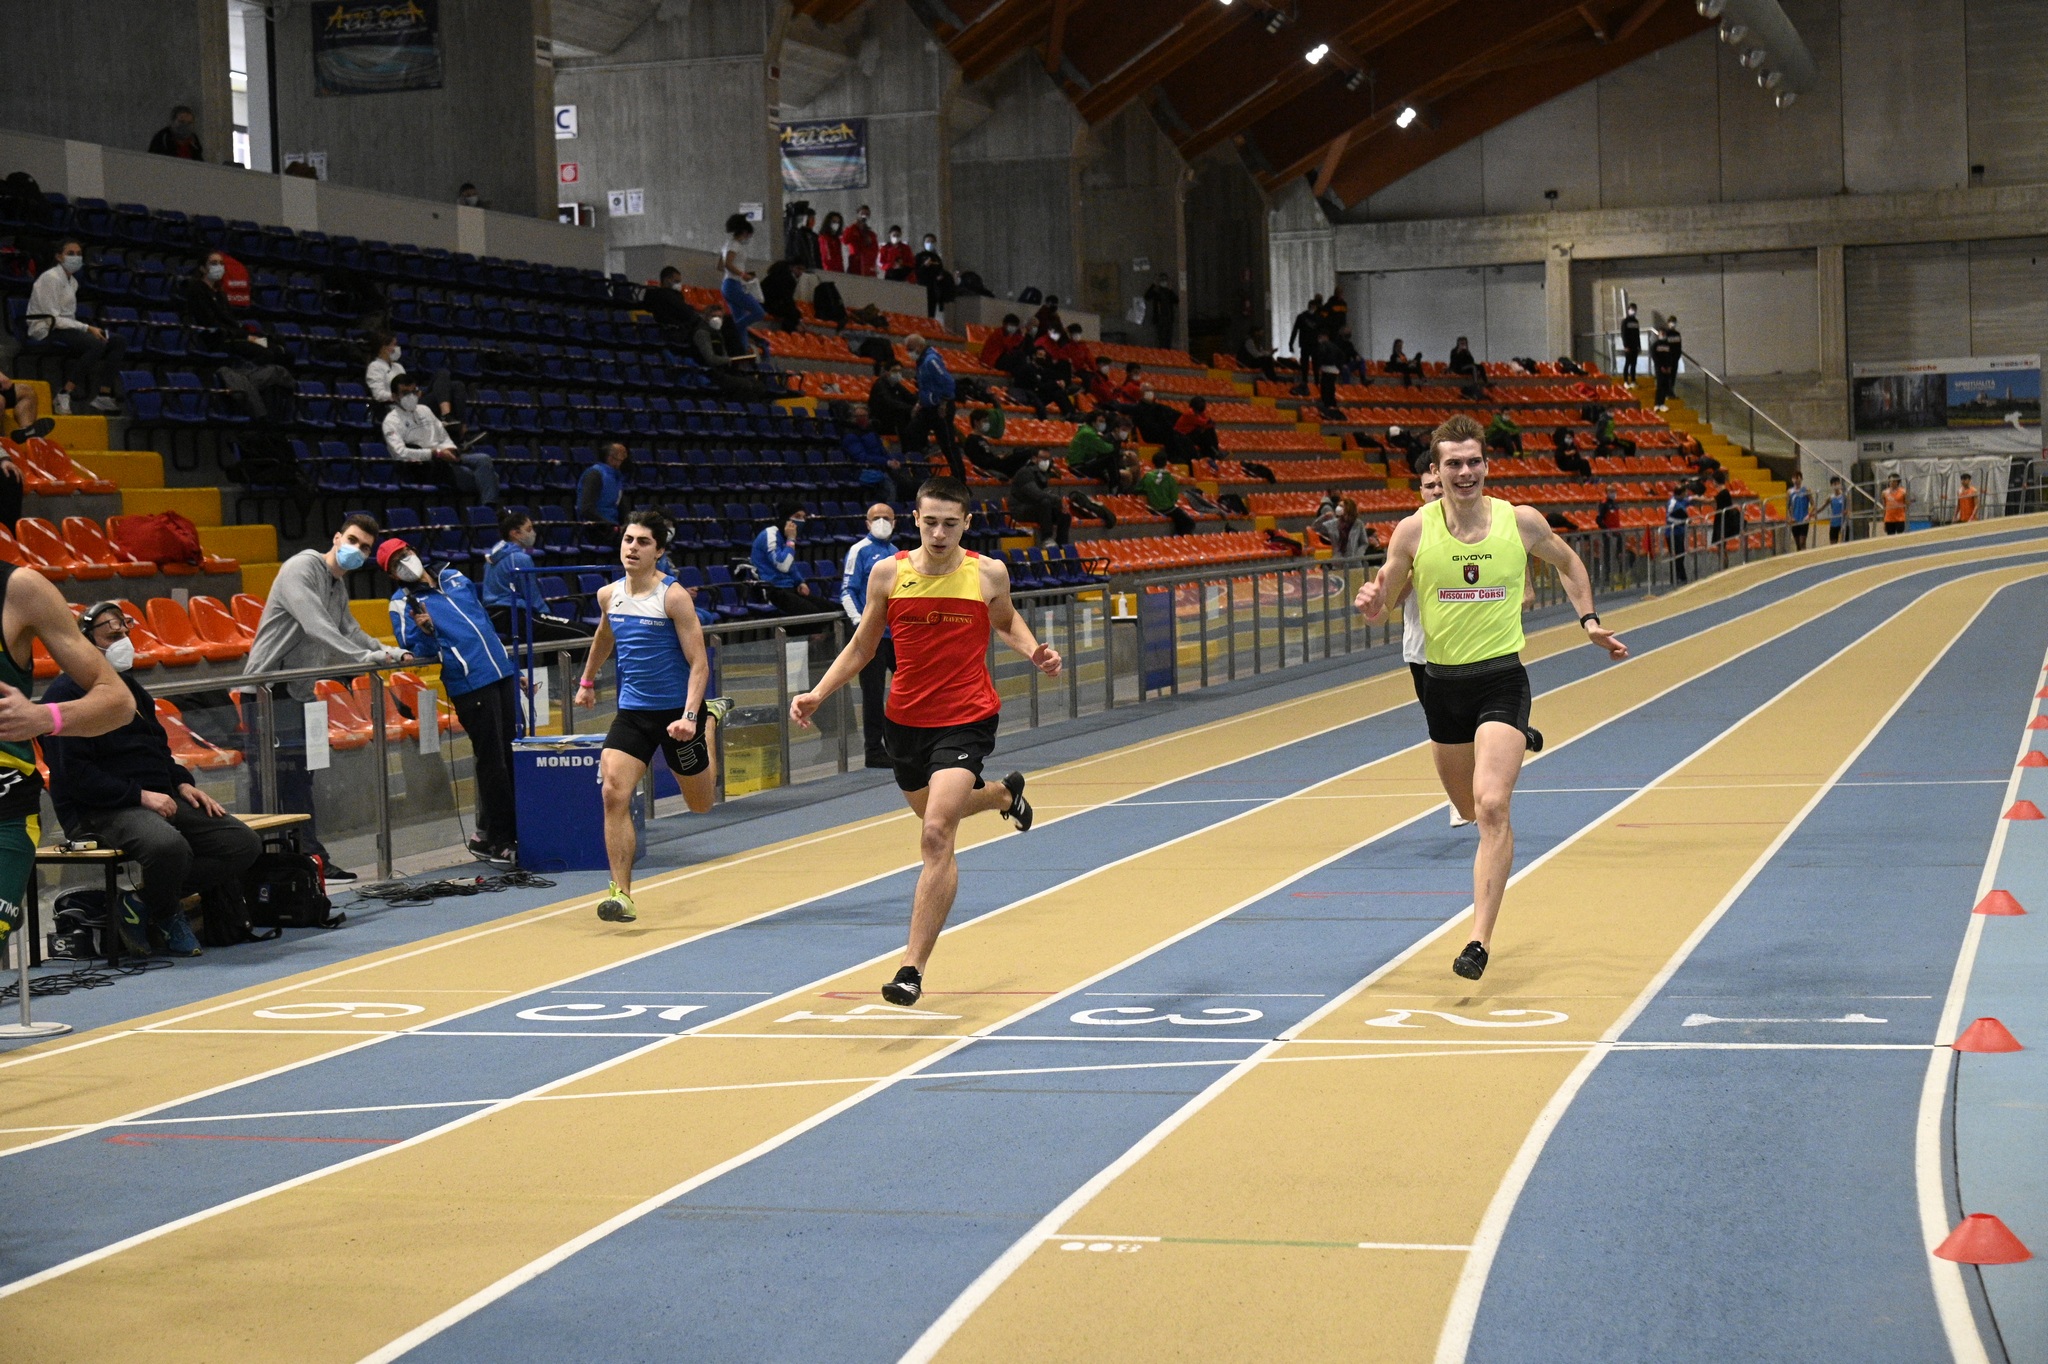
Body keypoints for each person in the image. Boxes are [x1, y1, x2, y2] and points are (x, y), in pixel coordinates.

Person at [1355, 414, 1627, 980]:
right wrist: (1372, 605)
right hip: (1441, 687)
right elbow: (1387, 597)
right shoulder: (1413, 531)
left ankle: (1478, 940)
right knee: (1466, 810)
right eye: (1453, 464)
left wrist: (1589, 621)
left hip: (1501, 677)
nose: (1465, 472)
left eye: (1474, 461)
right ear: (1436, 471)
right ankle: (1514, 738)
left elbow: (1569, 562)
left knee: (1493, 806)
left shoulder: (1519, 521)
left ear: (1486, 465)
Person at [790, 477, 1060, 1006]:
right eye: (930, 522)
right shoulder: (888, 573)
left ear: (967, 524)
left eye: (950, 524)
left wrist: (1034, 651)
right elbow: (864, 645)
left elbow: (1006, 622)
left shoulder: (987, 572)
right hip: (905, 722)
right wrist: (818, 693)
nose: (939, 533)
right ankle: (1003, 794)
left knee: (936, 832)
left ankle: (911, 968)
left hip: (966, 717)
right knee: (932, 811)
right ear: (915, 519)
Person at [40, 602, 254, 957]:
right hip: (99, 808)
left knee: (241, 843)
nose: (123, 642)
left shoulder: (129, 688)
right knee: (169, 847)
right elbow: (77, 777)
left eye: (125, 634)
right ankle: (167, 914)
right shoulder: (64, 696)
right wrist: (141, 796)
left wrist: (182, 782)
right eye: (113, 636)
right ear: (85, 643)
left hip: (158, 795)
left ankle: (142, 903)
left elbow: (157, 748)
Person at [573, 511, 732, 925]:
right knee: (613, 792)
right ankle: (621, 894)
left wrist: (692, 717)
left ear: (659, 551)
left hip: (679, 715)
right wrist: (587, 681)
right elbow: (605, 635)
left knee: (701, 804)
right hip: (633, 714)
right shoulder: (609, 595)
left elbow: (699, 664)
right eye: (628, 539)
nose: (632, 547)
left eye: (643, 542)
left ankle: (711, 722)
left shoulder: (673, 597)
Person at [244, 514, 407, 875]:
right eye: (353, 540)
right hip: (268, 690)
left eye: (365, 548)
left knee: (301, 780)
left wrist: (388, 652)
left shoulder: (338, 587)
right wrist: (364, 658)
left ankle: (309, 860)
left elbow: (351, 631)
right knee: (268, 782)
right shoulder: (301, 568)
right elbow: (315, 625)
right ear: (336, 538)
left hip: (300, 692)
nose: (357, 550)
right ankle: (260, 865)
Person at [381, 539, 520, 865]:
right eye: (395, 563)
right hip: (469, 684)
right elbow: (417, 652)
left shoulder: (454, 577)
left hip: (501, 673)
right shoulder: (401, 603)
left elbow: (483, 623)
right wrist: (425, 630)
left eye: (405, 554)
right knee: (493, 762)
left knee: (511, 754)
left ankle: (485, 834)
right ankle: (503, 839)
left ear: (415, 551)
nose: (405, 562)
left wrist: (510, 665)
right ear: (392, 575)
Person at [27, 241, 124, 414]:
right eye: (70, 253)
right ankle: (64, 394)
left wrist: (85, 329)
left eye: (79, 254)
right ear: (59, 257)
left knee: (117, 341)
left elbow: (68, 318)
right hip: (46, 328)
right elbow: (53, 319)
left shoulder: (73, 282)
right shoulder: (50, 278)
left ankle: (103, 395)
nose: (76, 257)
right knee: (96, 344)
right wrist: (87, 328)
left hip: (66, 328)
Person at [840, 503, 900, 768]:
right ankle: (874, 750)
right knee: (873, 695)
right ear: (867, 523)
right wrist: (860, 623)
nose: (882, 521)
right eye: (877, 518)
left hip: (896, 636)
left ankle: (901, 743)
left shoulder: (897, 553)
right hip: (871, 636)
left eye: (887, 517)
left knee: (908, 688)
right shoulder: (859, 550)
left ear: (895, 522)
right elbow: (847, 591)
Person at [383, 376, 497, 504]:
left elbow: (443, 436)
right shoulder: (391, 421)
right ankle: (490, 509)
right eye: (405, 393)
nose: (411, 396)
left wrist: (450, 449)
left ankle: (489, 506)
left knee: (484, 459)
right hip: (429, 465)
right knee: (491, 477)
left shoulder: (425, 410)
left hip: (446, 456)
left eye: (414, 391)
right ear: (394, 396)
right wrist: (435, 453)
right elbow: (399, 453)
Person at [481, 510, 585, 648]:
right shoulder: (520, 558)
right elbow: (531, 596)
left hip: (494, 616)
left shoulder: (492, 556)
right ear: (515, 533)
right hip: (514, 616)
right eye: (529, 529)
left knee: (557, 634)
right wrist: (546, 615)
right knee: (582, 633)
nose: (533, 533)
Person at [365, 332, 463, 430]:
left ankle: (458, 423)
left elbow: (408, 385)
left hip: (413, 400)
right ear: (383, 348)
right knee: (444, 379)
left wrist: (415, 391)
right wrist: (399, 396)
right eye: (394, 345)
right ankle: (446, 416)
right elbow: (378, 395)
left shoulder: (398, 366)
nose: (396, 348)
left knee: (454, 383)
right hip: (399, 406)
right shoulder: (375, 367)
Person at [904, 335, 963, 482]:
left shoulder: (931, 361)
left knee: (947, 444)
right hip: (928, 406)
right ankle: (919, 471)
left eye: (910, 349)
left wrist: (944, 402)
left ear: (919, 346)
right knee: (911, 432)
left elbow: (948, 383)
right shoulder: (921, 361)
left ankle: (960, 480)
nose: (908, 352)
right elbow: (926, 386)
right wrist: (919, 403)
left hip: (940, 407)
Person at [750, 502, 815, 616]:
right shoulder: (769, 535)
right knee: (813, 613)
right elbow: (783, 565)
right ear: (786, 518)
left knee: (828, 608)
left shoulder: (784, 536)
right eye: (797, 516)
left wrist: (800, 582)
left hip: (789, 588)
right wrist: (791, 539)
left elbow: (791, 566)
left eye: (804, 517)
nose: (801, 521)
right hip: (772, 590)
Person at [844, 402, 915, 502]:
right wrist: (886, 462)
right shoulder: (850, 436)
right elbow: (862, 458)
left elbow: (882, 451)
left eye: (864, 416)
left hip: (880, 467)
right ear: (853, 418)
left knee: (907, 483)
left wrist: (891, 460)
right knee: (889, 488)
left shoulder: (872, 432)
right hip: (862, 470)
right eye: (859, 416)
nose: (863, 419)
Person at [719, 213, 767, 356]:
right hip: (733, 284)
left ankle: (742, 350)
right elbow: (728, 264)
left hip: (729, 284)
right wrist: (742, 274)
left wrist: (738, 273)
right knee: (759, 312)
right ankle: (729, 330)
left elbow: (720, 266)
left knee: (740, 318)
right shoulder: (735, 245)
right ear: (745, 232)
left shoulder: (727, 245)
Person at [1008, 449, 1070, 546]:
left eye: (1048, 459)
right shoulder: (1025, 473)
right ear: (1034, 458)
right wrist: (1058, 500)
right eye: (1043, 458)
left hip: (1037, 508)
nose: (1046, 462)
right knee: (1045, 503)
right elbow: (1036, 494)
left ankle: (1062, 544)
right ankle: (1046, 539)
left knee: (1064, 514)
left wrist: (1059, 505)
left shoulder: (1041, 473)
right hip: (1020, 509)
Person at [576, 440, 631, 534]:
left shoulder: (616, 477)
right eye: (622, 456)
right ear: (611, 458)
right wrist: (609, 525)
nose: (625, 458)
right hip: (596, 528)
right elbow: (586, 509)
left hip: (613, 527)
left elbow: (620, 506)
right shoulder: (595, 474)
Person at [1138, 451, 1195, 535]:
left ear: (1153, 462)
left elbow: (1139, 490)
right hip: (1167, 509)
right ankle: (1180, 538)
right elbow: (1174, 497)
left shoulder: (1147, 477)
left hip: (1152, 508)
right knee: (1189, 523)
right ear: (1165, 463)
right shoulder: (1169, 478)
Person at [963, 406, 1027, 479]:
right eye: (984, 421)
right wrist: (998, 458)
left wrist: (998, 457)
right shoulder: (971, 440)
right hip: (992, 467)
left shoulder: (983, 439)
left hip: (996, 464)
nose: (987, 424)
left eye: (987, 421)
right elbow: (979, 461)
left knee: (1021, 453)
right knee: (1025, 454)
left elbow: (988, 456)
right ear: (976, 422)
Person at [640, 266, 694, 339]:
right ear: (666, 280)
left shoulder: (675, 295)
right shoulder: (661, 295)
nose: (679, 284)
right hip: (671, 331)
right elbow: (684, 310)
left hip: (678, 329)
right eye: (676, 281)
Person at [1288, 297, 1322, 394]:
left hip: (1311, 344)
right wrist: (1290, 343)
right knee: (1307, 365)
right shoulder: (1306, 317)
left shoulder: (1307, 317)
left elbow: (1295, 330)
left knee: (1312, 364)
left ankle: (1314, 382)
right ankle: (1309, 382)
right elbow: (1295, 330)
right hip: (1307, 344)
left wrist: (1291, 343)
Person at [1665, 479, 1697, 582]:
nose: (1686, 494)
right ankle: (1676, 578)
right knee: (1676, 556)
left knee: (1681, 554)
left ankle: (1681, 576)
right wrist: (1683, 521)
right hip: (1672, 533)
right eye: (1685, 492)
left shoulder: (1682, 500)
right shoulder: (1672, 504)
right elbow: (1669, 518)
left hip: (1680, 532)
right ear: (1681, 493)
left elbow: (1690, 499)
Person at [913, 233, 951, 318]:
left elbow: (940, 270)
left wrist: (941, 276)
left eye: (932, 242)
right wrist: (924, 266)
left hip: (934, 288)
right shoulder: (919, 256)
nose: (930, 243)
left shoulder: (937, 258)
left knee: (931, 314)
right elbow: (916, 272)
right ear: (924, 243)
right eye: (928, 241)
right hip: (922, 287)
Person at [1649, 319, 1682, 410]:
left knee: (1665, 385)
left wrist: (1669, 367)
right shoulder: (1655, 345)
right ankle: (1657, 404)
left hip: (1667, 368)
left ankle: (1662, 403)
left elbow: (1669, 356)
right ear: (1658, 335)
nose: (1663, 335)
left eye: (1664, 334)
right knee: (1660, 386)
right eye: (1661, 334)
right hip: (1659, 368)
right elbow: (1655, 357)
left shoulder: (1668, 345)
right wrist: (1661, 367)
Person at [1143, 272, 1179, 349]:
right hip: (1159, 319)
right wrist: (1153, 285)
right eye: (1162, 280)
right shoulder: (1156, 292)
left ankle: (1167, 354)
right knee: (1161, 340)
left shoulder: (1169, 292)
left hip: (1168, 319)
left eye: (1165, 280)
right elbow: (1147, 296)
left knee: (1168, 340)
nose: (1163, 282)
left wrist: (1170, 289)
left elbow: (1176, 300)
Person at [843, 206, 879, 278]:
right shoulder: (851, 229)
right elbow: (845, 240)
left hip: (867, 265)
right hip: (855, 263)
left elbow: (875, 250)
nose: (864, 216)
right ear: (858, 214)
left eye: (867, 214)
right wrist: (854, 226)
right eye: (862, 213)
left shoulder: (871, 234)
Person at [1785, 471, 1812, 549]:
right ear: (1792, 479)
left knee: (1802, 542)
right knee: (1798, 544)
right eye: (1795, 479)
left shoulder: (1806, 490)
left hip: (1804, 519)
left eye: (1798, 479)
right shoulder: (1789, 492)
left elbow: (1813, 504)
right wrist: (1790, 517)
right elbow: (1787, 507)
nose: (1796, 481)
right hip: (1795, 520)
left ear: (1801, 479)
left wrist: (1808, 515)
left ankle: (1805, 555)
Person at [1711, 469, 1737, 545]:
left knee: (1721, 542)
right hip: (1721, 518)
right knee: (1719, 543)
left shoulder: (1724, 492)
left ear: (1716, 481)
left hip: (1724, 520)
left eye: (1713, 480)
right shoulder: (1722, 492)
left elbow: (1710, 501)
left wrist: (1695, 498)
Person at [1619, 303, 1641, 383]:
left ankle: (1633, 380)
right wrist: (1625, 346)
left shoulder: (1636, 322)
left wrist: (1639, 346)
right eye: (1632, 309)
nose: (1633, 311)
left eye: (1634, 309)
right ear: (1628, 310)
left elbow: (1637, 334)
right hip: (1628, 346)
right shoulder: (1625, 321)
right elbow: (1623, 334)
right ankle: (1625, 380)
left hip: (1635, 346)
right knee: (1628, 363)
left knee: (1634, 364)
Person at [1827, 476, 1848, 545]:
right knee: (1833, 543)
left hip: (1842, 522)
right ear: (1831, 486)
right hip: (1834, 523)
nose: (1836, 486)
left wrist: (1847, 511)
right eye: (1834, 484)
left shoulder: (1844, 495)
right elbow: (1823, 507)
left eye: (1838, 484)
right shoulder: (1831, 497)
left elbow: (1849, 507)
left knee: (1843, 543)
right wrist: (1815, 512)